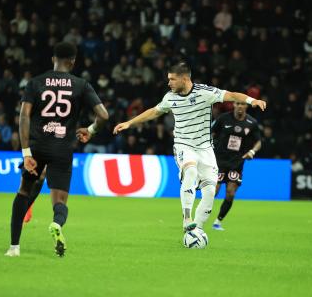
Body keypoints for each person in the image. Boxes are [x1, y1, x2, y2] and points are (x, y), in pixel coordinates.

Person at [113, 62, 266, 234]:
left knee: (209, 192)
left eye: (172, 79)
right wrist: (129, 123)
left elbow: (231, 95)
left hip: (206, 149)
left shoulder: (205, 93)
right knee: (191, 171)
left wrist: (252, 100)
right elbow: (154, 111)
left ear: (184, 79)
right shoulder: (170, 97)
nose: (168, 83)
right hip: (183, 145)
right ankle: (187, 218)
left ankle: (197, 231)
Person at [5, 42, 109, 257]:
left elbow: (24, 116)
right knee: (60, 201)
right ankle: (56, 224)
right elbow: (104, 116)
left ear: (53, 59)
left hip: (37, 147)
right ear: (72, 62)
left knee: (24, 192)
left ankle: (14, 247)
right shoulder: (81, 85)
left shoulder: (35, 83)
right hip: (63, 148)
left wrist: (26, 153)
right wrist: (90, 130)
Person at [211, 102, 262, 231]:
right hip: (219, 161)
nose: (240, 106)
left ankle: (218, 221)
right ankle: (200, 219)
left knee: (230, 193)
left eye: (243, 104)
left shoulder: (252, 123)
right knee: (213, 192)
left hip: (237, 163)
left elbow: (258, 142)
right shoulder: (223, 118)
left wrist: (252, 152)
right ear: (234, 104)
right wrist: (209, 146)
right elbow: (211, 132)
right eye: (238, 103)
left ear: (246, 106)